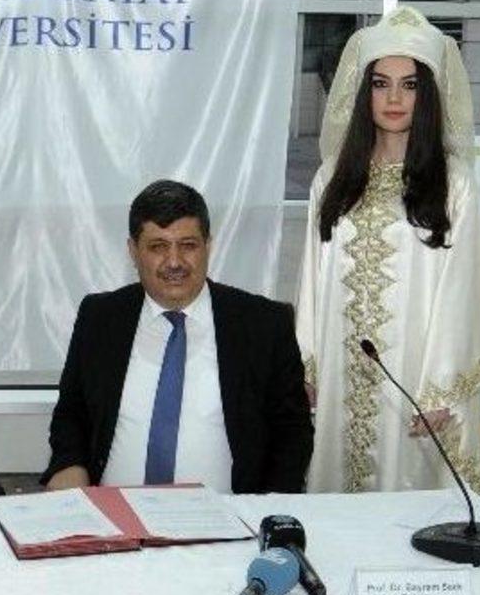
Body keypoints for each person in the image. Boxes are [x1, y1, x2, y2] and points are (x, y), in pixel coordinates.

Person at [295, 6, 480, 493]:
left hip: (417, 383)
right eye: (381, 83)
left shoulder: (455, 185)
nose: (393, 98)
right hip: (343, 377)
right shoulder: (331, 179)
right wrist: (309, 364)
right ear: (363, 91)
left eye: (409, 85)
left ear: (427, 95)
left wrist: (439, 390)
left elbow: (464, 291)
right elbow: (311, 282)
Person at [41, 180, 313, 493]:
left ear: (208, 246)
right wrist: (70, 467)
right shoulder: (100, 318)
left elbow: (292, 434)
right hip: (115, 513)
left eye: (188, 245)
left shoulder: (264, 324)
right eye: (158, 247)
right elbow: (71, 414)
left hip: (228, 515)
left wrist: (263, 511)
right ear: (133, 251)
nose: (174, 262)